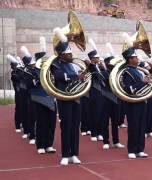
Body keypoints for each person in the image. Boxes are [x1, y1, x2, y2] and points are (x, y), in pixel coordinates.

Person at [51, 27, 83, 165]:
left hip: (75, 99)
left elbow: (77, 76)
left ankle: (74, 153)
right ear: (62, 55)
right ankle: (65, 154)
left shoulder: (73, 65)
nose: (71, 56)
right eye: (69, 54)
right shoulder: (55, 65)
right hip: (64, 99)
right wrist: (76, 77)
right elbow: (60, 76)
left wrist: (83, 73)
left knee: (75, 127)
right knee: (66, 127)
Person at [122, 45, 149, 159]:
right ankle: (132, 150)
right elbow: (129, 89)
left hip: (142, 101)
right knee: (133, 126)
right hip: (132, 103)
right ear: (130, 59)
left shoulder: (139, 71)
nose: (138, 59)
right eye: (135, 57)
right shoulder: (127, 72)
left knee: (142, 126)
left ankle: (140, 149)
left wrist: (148, 82)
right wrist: (143, 82)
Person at [31, 37, 57, 154]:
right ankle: (40, 145)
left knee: (51, 123)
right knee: (41, 123)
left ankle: (49, 145)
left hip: (51, 99)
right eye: (42, 60)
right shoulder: (33, 71)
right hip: (40, 99)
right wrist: (38, 77)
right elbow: (30, 84)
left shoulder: (50, 70)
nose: (44, 61)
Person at [100, 43, 125, 150]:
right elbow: (106, 80)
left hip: (116, 99)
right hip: (106, 99)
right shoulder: (105, 73)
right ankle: (106, 141)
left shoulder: (118, 73)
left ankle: (116, 141)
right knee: (105, 121)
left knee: (115, 122)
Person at [86, 38, 105, 142]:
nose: (99, 59)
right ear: (93, 59)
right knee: (94, 112)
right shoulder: (91, 66)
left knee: (100, 112)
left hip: (100, 91)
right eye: (97, 57)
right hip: (94, 91)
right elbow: (98, 77)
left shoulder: (97, 66)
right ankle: (94, 133)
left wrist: (103, 67)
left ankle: (100, 132)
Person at [7, 55, 23, 133]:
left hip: (23, 93)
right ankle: (17, 125)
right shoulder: (14, 73)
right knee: (19, 109)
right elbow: (18, 78)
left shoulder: (20, 72)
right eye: (14, 65)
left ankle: (23, 123)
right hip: (18, 93)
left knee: (24, 109)